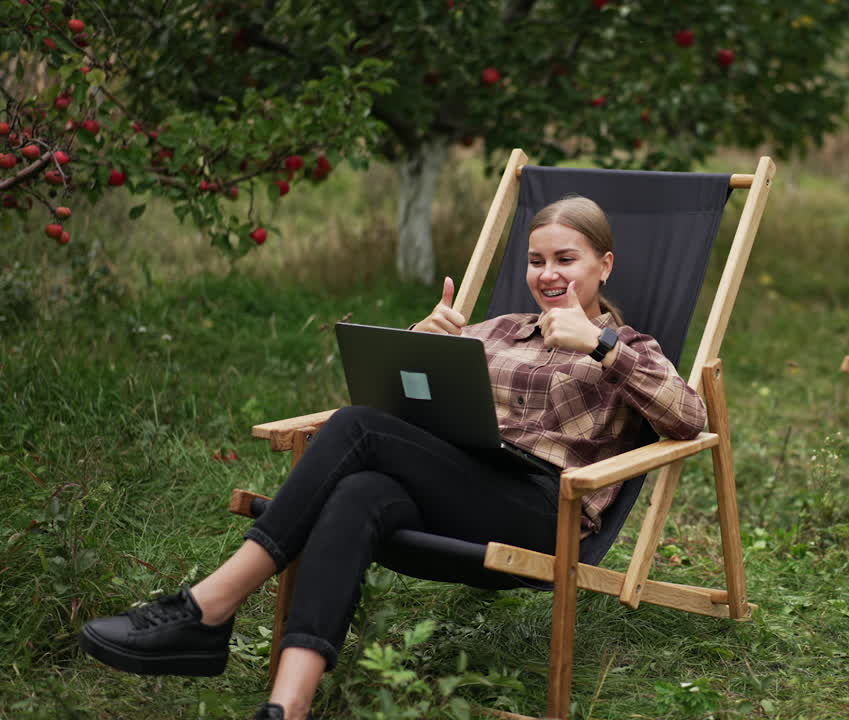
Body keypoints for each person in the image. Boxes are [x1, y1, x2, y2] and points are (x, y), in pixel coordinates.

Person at [78, 196, 708, 720]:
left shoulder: (631, 346)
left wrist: (599, 344)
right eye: (536, 260)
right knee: (359, 494)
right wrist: (419, 341)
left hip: (543, 510)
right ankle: (287, 706)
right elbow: (404, 406)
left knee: (356, 427)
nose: (548, 274)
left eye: (566, 260)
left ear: (604, 265)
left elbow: (688, 418)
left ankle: (208, 607)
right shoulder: (495, 329)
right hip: (465, 483)